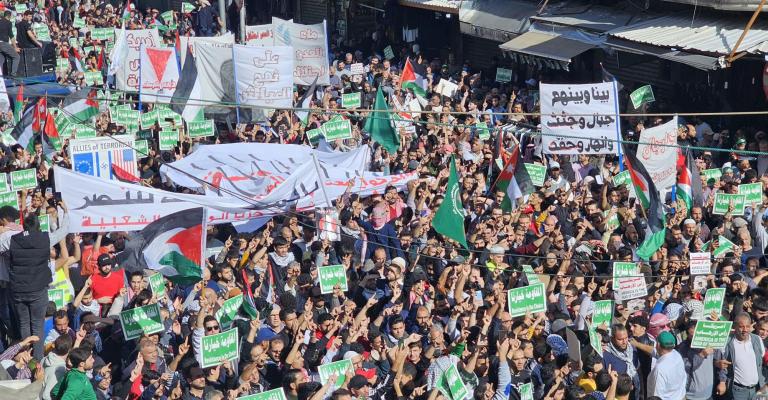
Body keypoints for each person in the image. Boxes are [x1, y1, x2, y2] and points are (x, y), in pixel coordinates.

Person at [718, 312, 766, 400]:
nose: (745, 330)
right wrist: (722, 382)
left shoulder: (757, 340)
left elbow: (761, 363)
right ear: (735, 327)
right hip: (738, 391)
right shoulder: (727, 342)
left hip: (757, 389)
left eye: (747, 326)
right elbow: (723, 366)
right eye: (741, 327)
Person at [646, 331, 686, 399]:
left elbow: (657, 396)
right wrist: (637, 344)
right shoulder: (677, 355)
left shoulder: (660, 369)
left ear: (658, 344)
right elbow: (655, 352)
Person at [0, 11, 19, 76]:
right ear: (9, 16)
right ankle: (13, 74)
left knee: (1, 60)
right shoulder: (8, 23)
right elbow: (11, 36)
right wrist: (15, 47)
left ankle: (0, 76)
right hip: (3, 43)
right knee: (16, 57)